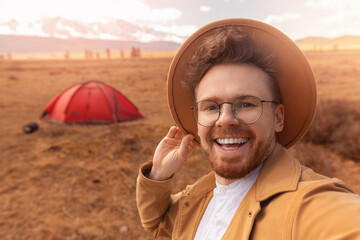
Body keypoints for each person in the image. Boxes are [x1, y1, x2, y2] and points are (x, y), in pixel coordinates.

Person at [136, 18, 360, 239]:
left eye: (245, 104)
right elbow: (158, 226)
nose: (224, 120)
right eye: (211, 106)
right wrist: (159, 175)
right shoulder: (197, 200)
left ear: (278, 118)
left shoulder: (308, 204)